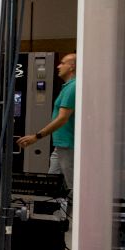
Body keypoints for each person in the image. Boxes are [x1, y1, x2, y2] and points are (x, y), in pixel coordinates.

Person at [17, 53, 76, 190]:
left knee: (72, 186)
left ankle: (72, 204)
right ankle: (59, 204)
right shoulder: (67, 87)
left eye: (62, 63)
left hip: (68, 144)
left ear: (72, 67)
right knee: (52, 185)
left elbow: (62, 118)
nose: (58, 66)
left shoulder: (73, 87)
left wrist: (36, 136)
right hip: (60, 144)